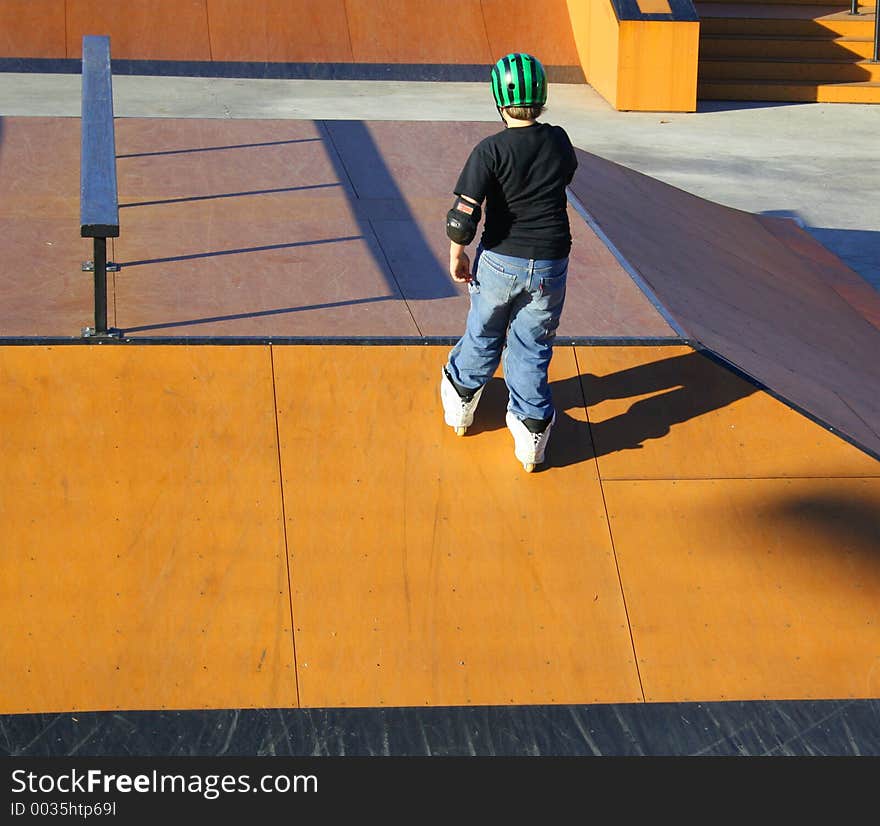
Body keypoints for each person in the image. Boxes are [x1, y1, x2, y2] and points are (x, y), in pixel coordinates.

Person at [440, 52, 578, 472]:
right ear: (542, 98)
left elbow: (464, 214)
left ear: (498, 100)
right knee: (532, 345)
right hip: (551, 262)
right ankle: (531, 430)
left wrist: (456, 253)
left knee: (484, 331)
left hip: (501, 259)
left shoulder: (490, 150)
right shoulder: (558, 140)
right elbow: (566, 175)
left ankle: (463, 399)